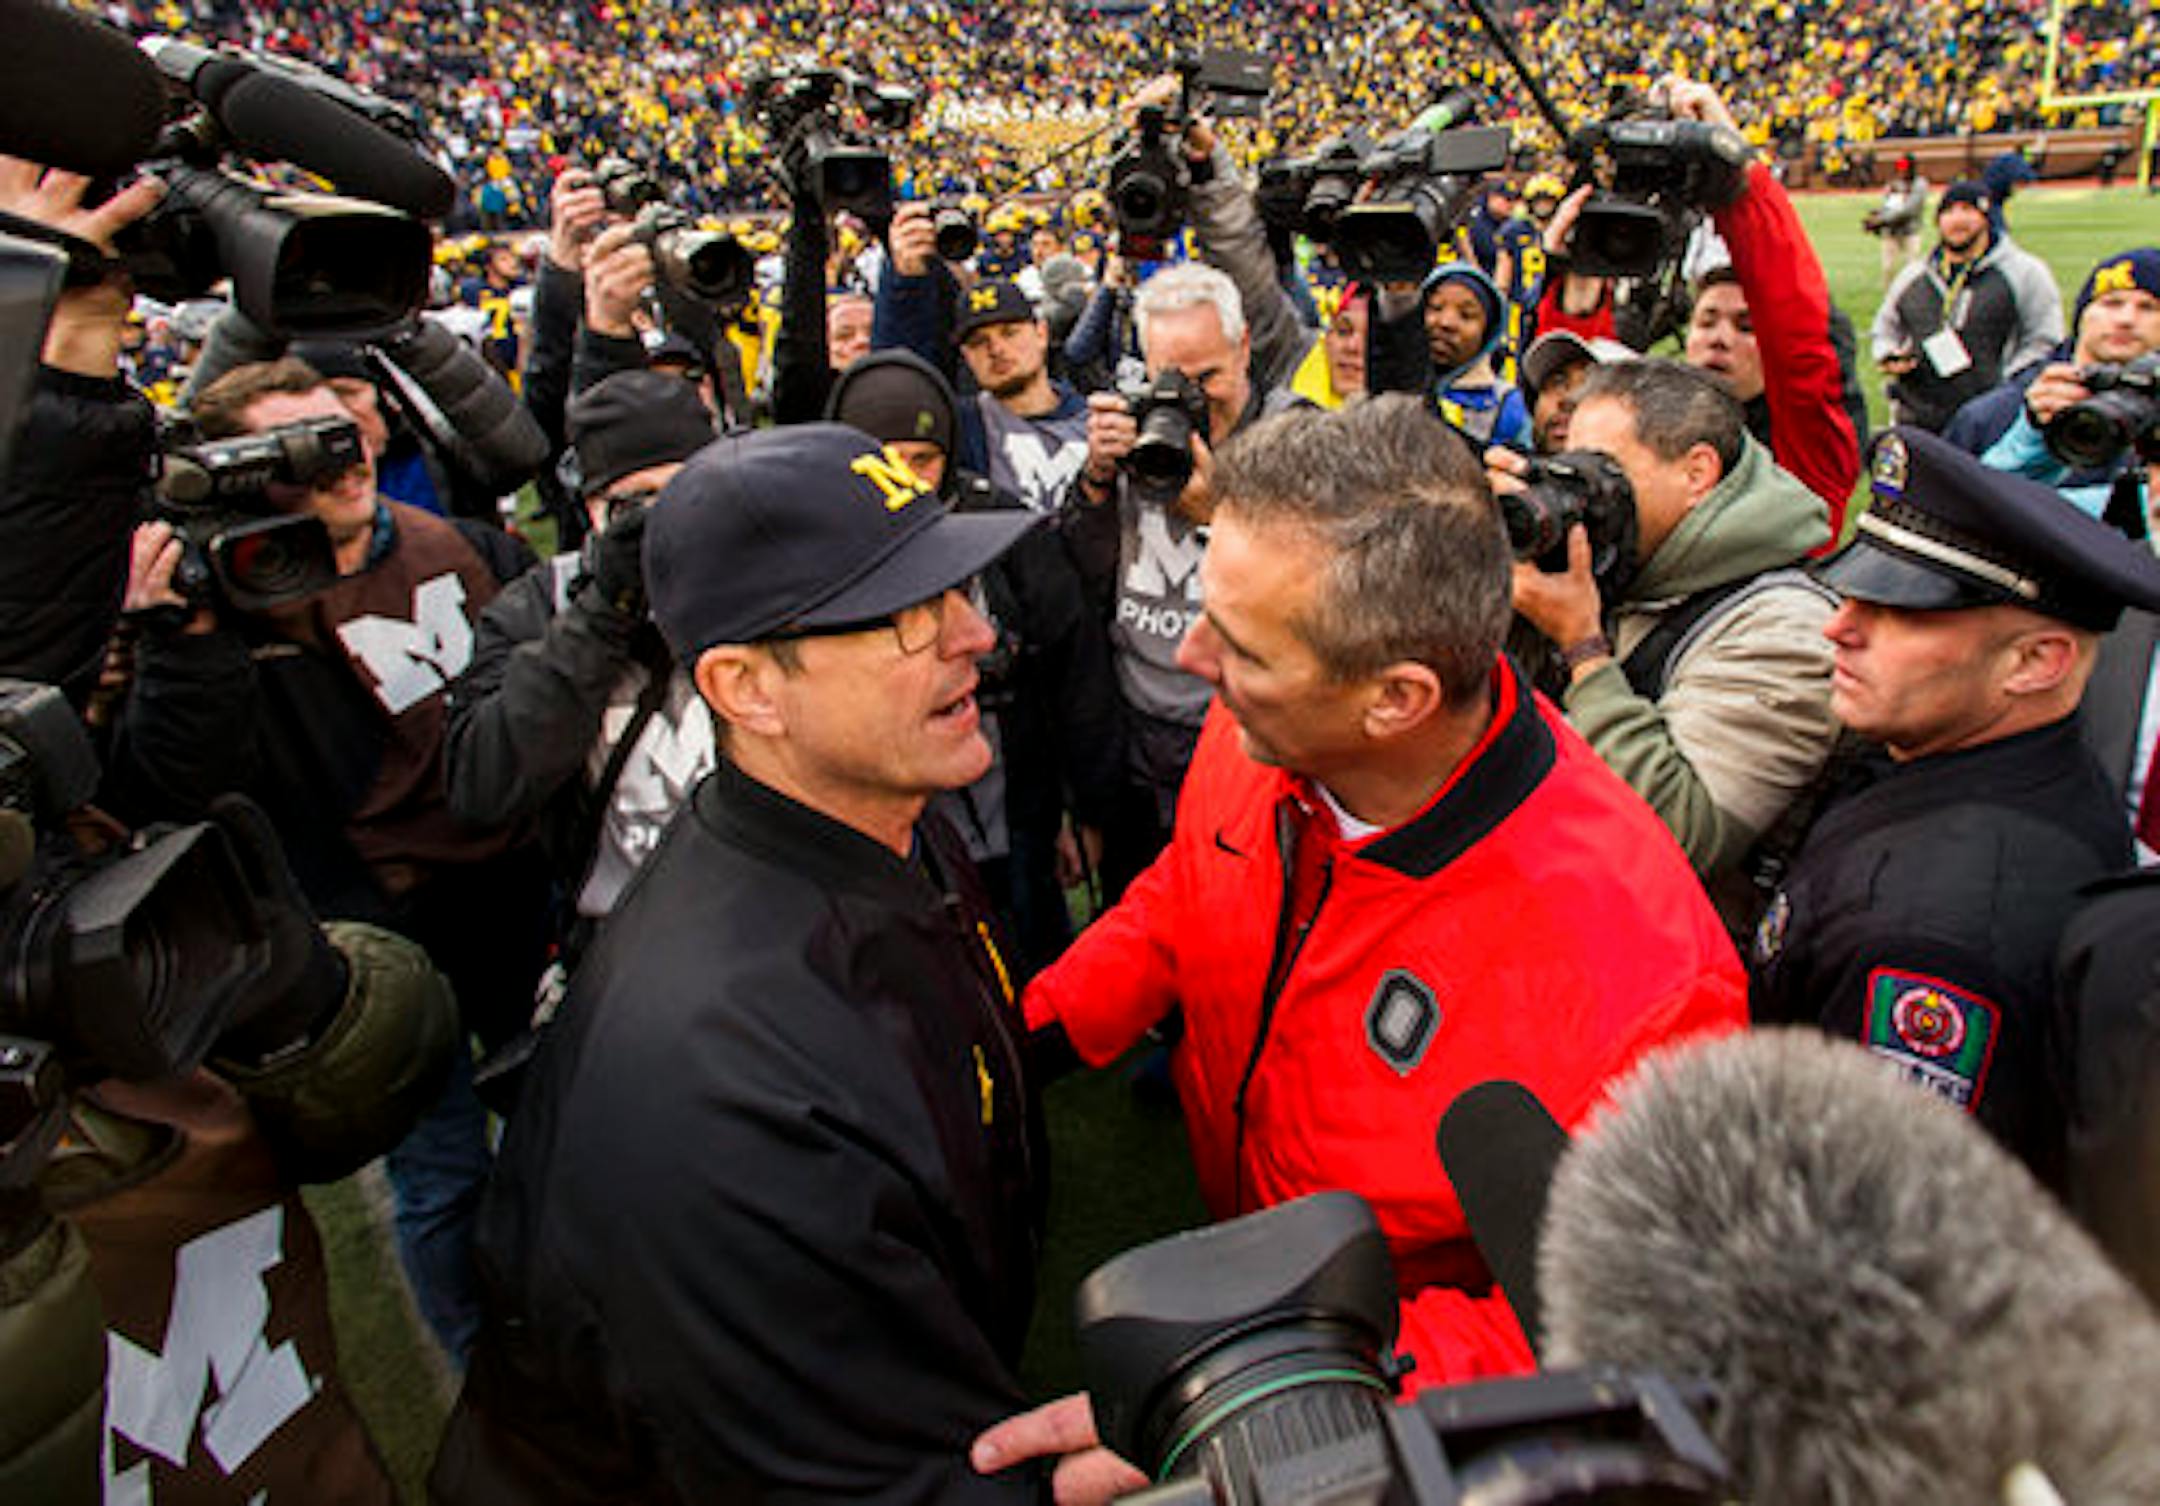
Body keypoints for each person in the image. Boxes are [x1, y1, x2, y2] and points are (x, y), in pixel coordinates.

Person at [973, 397, 1743, 1495]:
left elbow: (1639, 1326)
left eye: (1240, 646)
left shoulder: (1645, 972)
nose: (1194, 655)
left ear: (1396, 698)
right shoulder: (1267, 734)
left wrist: (1294, 1403)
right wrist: (1021, 1036)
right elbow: (1187, 887)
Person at [431, 424, 1052, 1504]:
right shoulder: (723, 1091)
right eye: (909, 615)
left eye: (960, 589)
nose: (973, 638)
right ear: (746, 689)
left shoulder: (882, 810)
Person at [1751, 427, 2160, 1187]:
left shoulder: (1935, 937)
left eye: (1900, 610)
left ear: (2037, 662)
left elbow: (1876, 1230)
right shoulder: (1979, 757)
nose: (1839, 626)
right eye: (1853, 592)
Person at [1499, 360, 1839, 929]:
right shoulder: (1628, 569)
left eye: (1597, 472)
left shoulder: (1785, 630)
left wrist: (1583, 648)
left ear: (1696, 473)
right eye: (1563, 471)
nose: (1576, 496)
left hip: (1692, 964)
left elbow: (1678, 836)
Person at [444, 369, 719, 950]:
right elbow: (484, 786)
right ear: (593, 508)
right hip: (623, 928)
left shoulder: (774, 580)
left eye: (686, 494)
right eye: (636, 505)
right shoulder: (537, 608)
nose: (663, 524)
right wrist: (604, 612)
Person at [1069, 262, 1302, 893]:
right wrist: (1094, 478)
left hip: (1246, 733)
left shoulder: (1295, 437)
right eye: (1170, 379)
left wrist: (1216, 516)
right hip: (1137, 727)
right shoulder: (1138, 426)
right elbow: (1082, 573)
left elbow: (1318, 586)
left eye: (1208, 377)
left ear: (1245, 346)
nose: (1191, 399)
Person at [878, 211, 1094, 512]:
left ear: (1041, 333)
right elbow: (899, 388)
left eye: (1010, 332)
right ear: (965, 356)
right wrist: (905, 281)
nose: (996, 348)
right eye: (978, 342)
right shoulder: (962, 428)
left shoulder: (1094, 420)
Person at [1945, 247, 2160, 521]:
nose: (2126, 320)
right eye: (2111, 303)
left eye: (2149, 307)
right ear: (2083, 315)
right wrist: (2033, 437)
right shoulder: (1995, 415)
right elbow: (1961, 513)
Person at [1872, 181, 2064, 433]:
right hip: (1917, 418)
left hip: (1989, 422)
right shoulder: (1914, 275)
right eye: (1948, 211)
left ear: (1986, 217)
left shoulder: (2024, 273)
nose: (1956, 219)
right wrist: (1888, 353)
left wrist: (2008, 390)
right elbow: (1886, 325)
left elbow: (2044, 340)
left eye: (1967, 210)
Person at [1865, 156, 1930, 285]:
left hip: (1910, 230)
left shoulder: (1919, 185)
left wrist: (1881, 220)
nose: (1901, 172)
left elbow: (1909, 210)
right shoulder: (1893, 184)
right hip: (1892, 231)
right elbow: (1889, 205)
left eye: (1904, 169)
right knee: (1888, 268)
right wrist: (1878, 213)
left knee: (1912, 266)